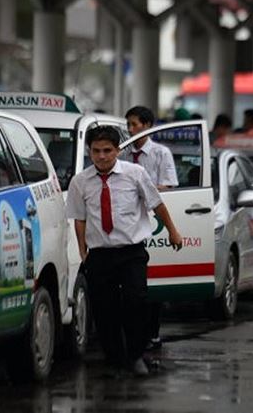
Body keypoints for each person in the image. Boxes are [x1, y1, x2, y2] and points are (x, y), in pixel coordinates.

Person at [66, 125, 182, 376]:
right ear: (89, 152)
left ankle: (136, 354)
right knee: (104, 308)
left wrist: (173, 230)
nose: (102, 156)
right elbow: (79, 217)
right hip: (100, 254)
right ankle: (115, 358)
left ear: (118, 150)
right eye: (96, 151)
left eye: (107, 150)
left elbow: (156, 204)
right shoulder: (80, 181)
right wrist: (82, 250)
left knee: (136, 302)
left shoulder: (135, 173)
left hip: (131, 252)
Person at [120, 106, 178, 356]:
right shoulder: (121, 154)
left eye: (134, 124)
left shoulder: (160, 153)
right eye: (128, 125)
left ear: (147, 125)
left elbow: (169, 185)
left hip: (151, 220)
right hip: (126, 222)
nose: (130, 129)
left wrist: (145, 189)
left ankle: (151, 333)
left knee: (151, 283)